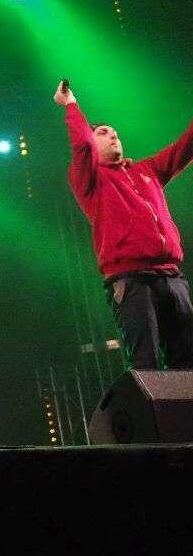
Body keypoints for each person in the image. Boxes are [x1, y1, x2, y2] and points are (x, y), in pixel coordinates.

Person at [55, 81, 193, 369]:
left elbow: (185, 148)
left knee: (188, 361)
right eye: (103, 133)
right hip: (130, 279)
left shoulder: (147, 170)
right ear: (92, 144)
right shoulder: (89, 179)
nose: (113, 135)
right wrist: (70, 104)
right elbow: (81, 144)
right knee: (146, 362)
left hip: (171, 276)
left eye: (115, 132)